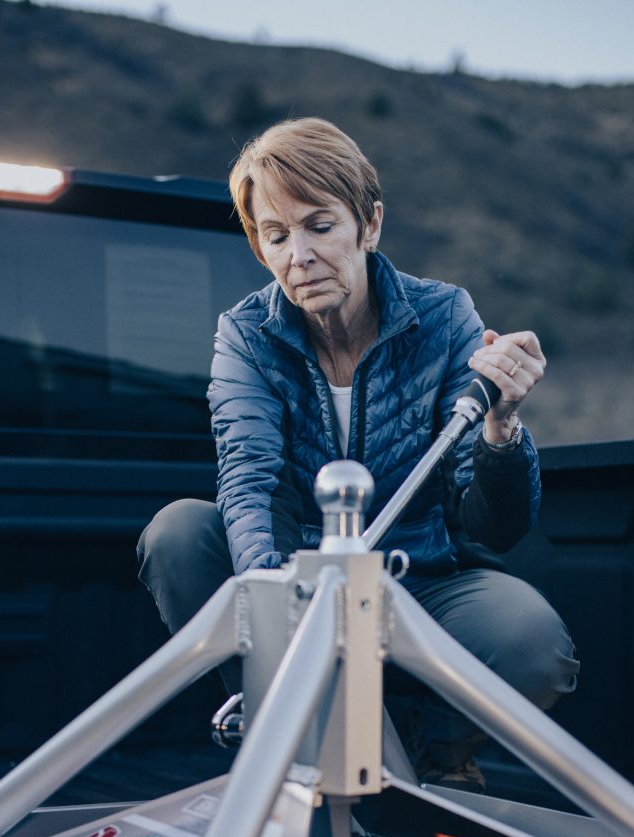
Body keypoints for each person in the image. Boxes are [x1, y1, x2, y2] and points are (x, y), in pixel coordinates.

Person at [137, 117, 579, 790]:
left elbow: (498, 527)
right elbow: (249, 481)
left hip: (418, 579)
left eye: (319, 226)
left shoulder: (444, 316)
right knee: (179, 532)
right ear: (260, 247)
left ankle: (433, 753)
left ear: (369, 225)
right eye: (276, 236)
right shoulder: (246, 336)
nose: (299, 256)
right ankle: (285, 720)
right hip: (294, 576)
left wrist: (501, 428)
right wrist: (284, 615)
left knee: (533, 642)